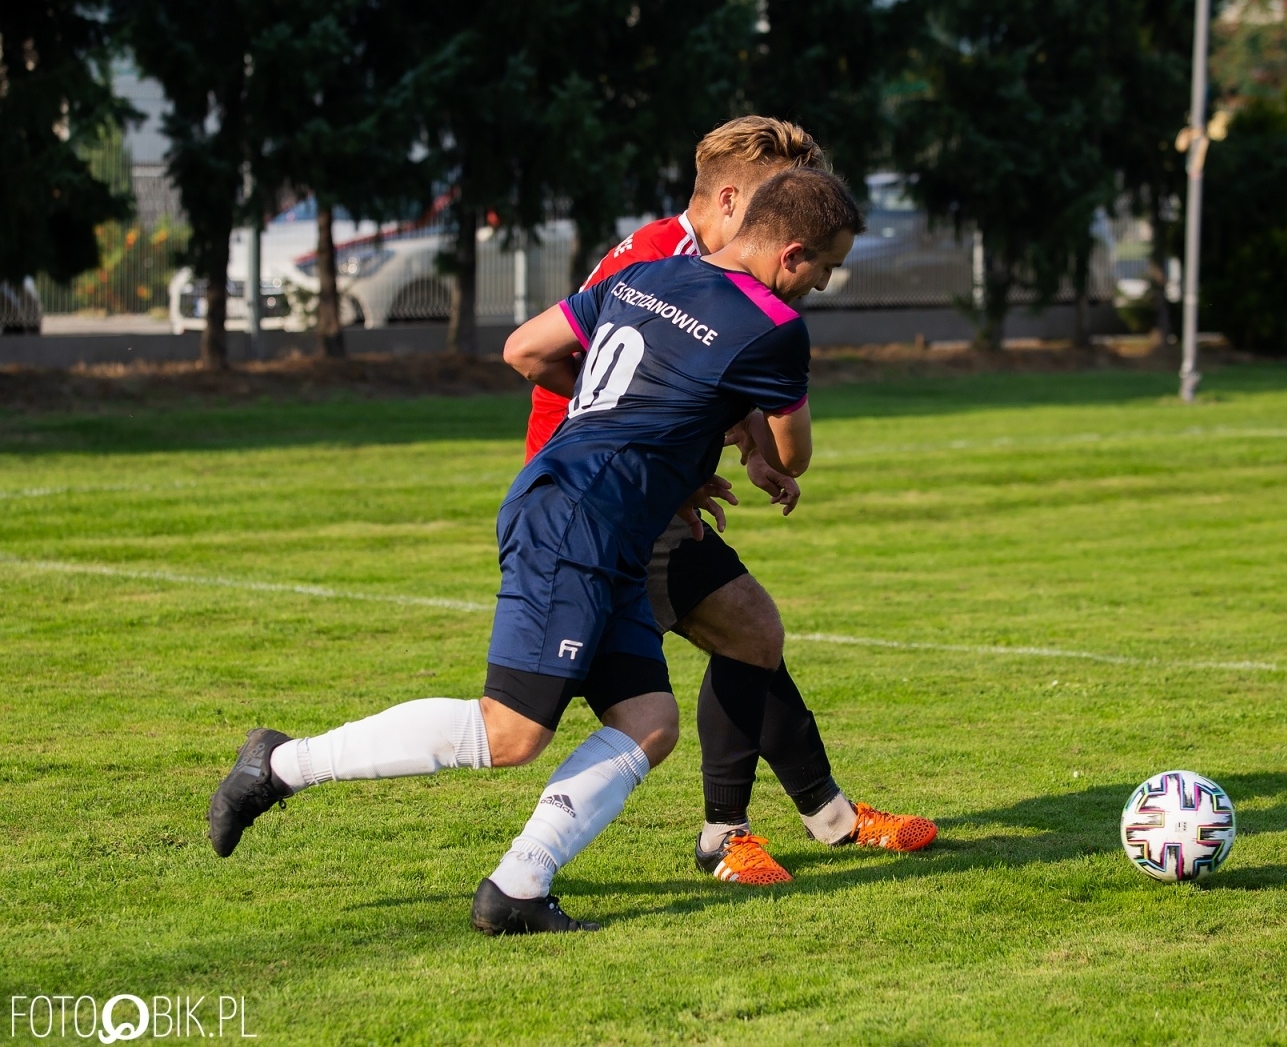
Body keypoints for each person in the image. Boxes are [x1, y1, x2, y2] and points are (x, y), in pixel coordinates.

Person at [207, 168, 862, 934]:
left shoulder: (643, 274)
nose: (823, 282)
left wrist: (659, 453)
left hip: (596, 512)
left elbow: (536, 350)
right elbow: (790, 458)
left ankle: (517, 888)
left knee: (649, 722)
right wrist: (768, 398)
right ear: (790, 254)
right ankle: (280, 765)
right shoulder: (775, 325)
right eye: (824, 266)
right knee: (510, 731)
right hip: (579, 520)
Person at [511, 116, 935, 889]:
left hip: (626, 489)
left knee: (750, 629)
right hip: (601, 503)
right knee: (523, 725)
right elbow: (560, 362)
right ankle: (726, 835)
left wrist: (724, 442)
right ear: (736, 197)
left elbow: (687, 380)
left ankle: (825, 816)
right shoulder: (665, 258)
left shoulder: (693, 260)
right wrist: (662, 454)